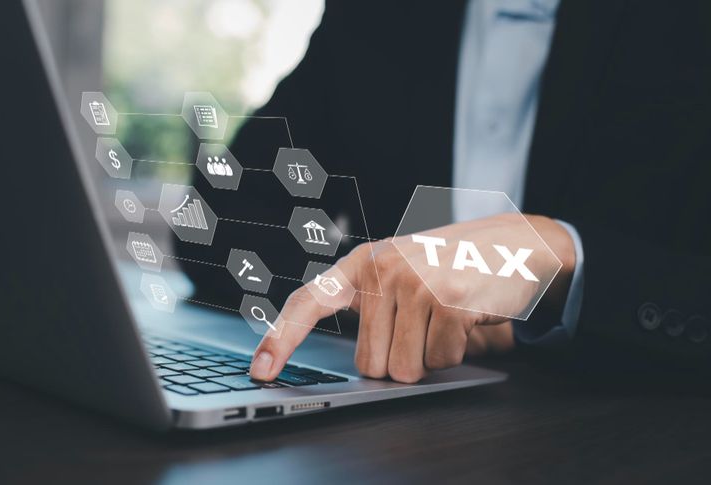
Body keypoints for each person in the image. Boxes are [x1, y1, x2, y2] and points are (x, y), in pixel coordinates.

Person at [183, 0, 711, 383]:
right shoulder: (376, 17)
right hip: (393, 415)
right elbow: (215, 215)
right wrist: (374, 291)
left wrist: (563, 259)